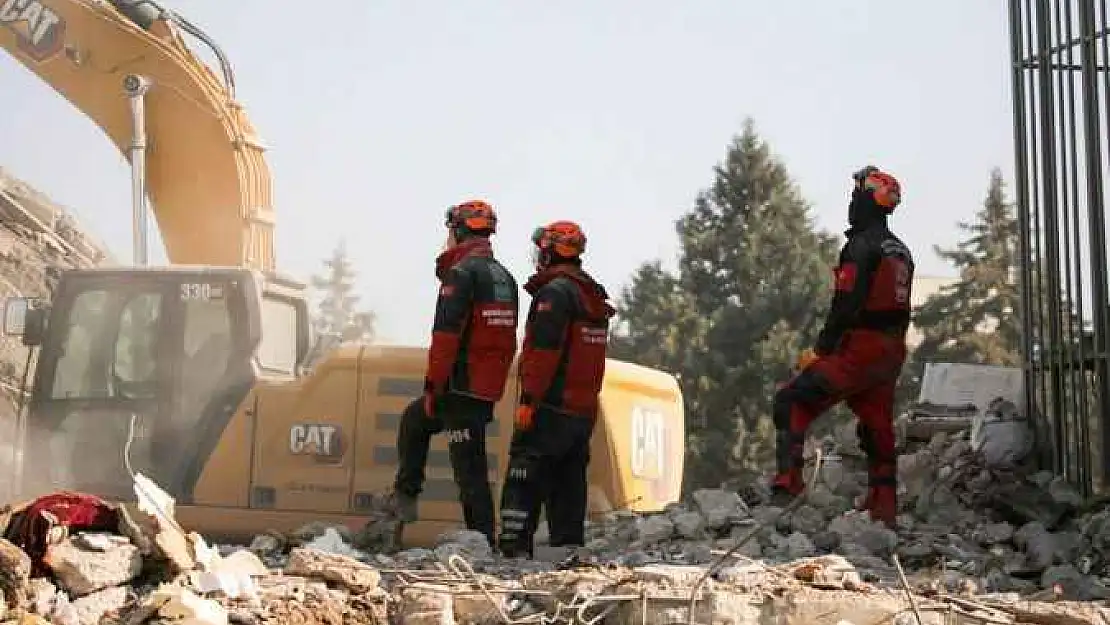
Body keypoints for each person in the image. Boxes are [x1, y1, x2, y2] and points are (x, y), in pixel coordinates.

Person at [770, 165, 914, 527]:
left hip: (860, 349)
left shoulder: (861, 246)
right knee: (876, 425)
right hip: (891, 351)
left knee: (791, 400)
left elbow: (845, 304)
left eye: (856, 197)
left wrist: (821, 350)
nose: (851, 204)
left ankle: (788, 485)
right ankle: (884, 506)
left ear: (869, 202)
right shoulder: (902, 251)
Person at [392, 200, 519, 545]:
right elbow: (508, 343)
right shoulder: (505, 277)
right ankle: (405, 500)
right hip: (483, 389)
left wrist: (434, 388)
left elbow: (445, 338)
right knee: (416, 422)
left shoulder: (461, 276)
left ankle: (480, 541)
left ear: (458, 231)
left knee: (468, 469)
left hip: (459, 387)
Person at [497, 221, 615, 558]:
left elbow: (544, 353)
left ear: (549, 251)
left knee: (524, 475)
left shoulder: (555, 294)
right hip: (581, 412)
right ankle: (568, 551)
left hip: (549, 406)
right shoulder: (591, 295)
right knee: (569, 482)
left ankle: (512, 553)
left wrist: (529, 401)